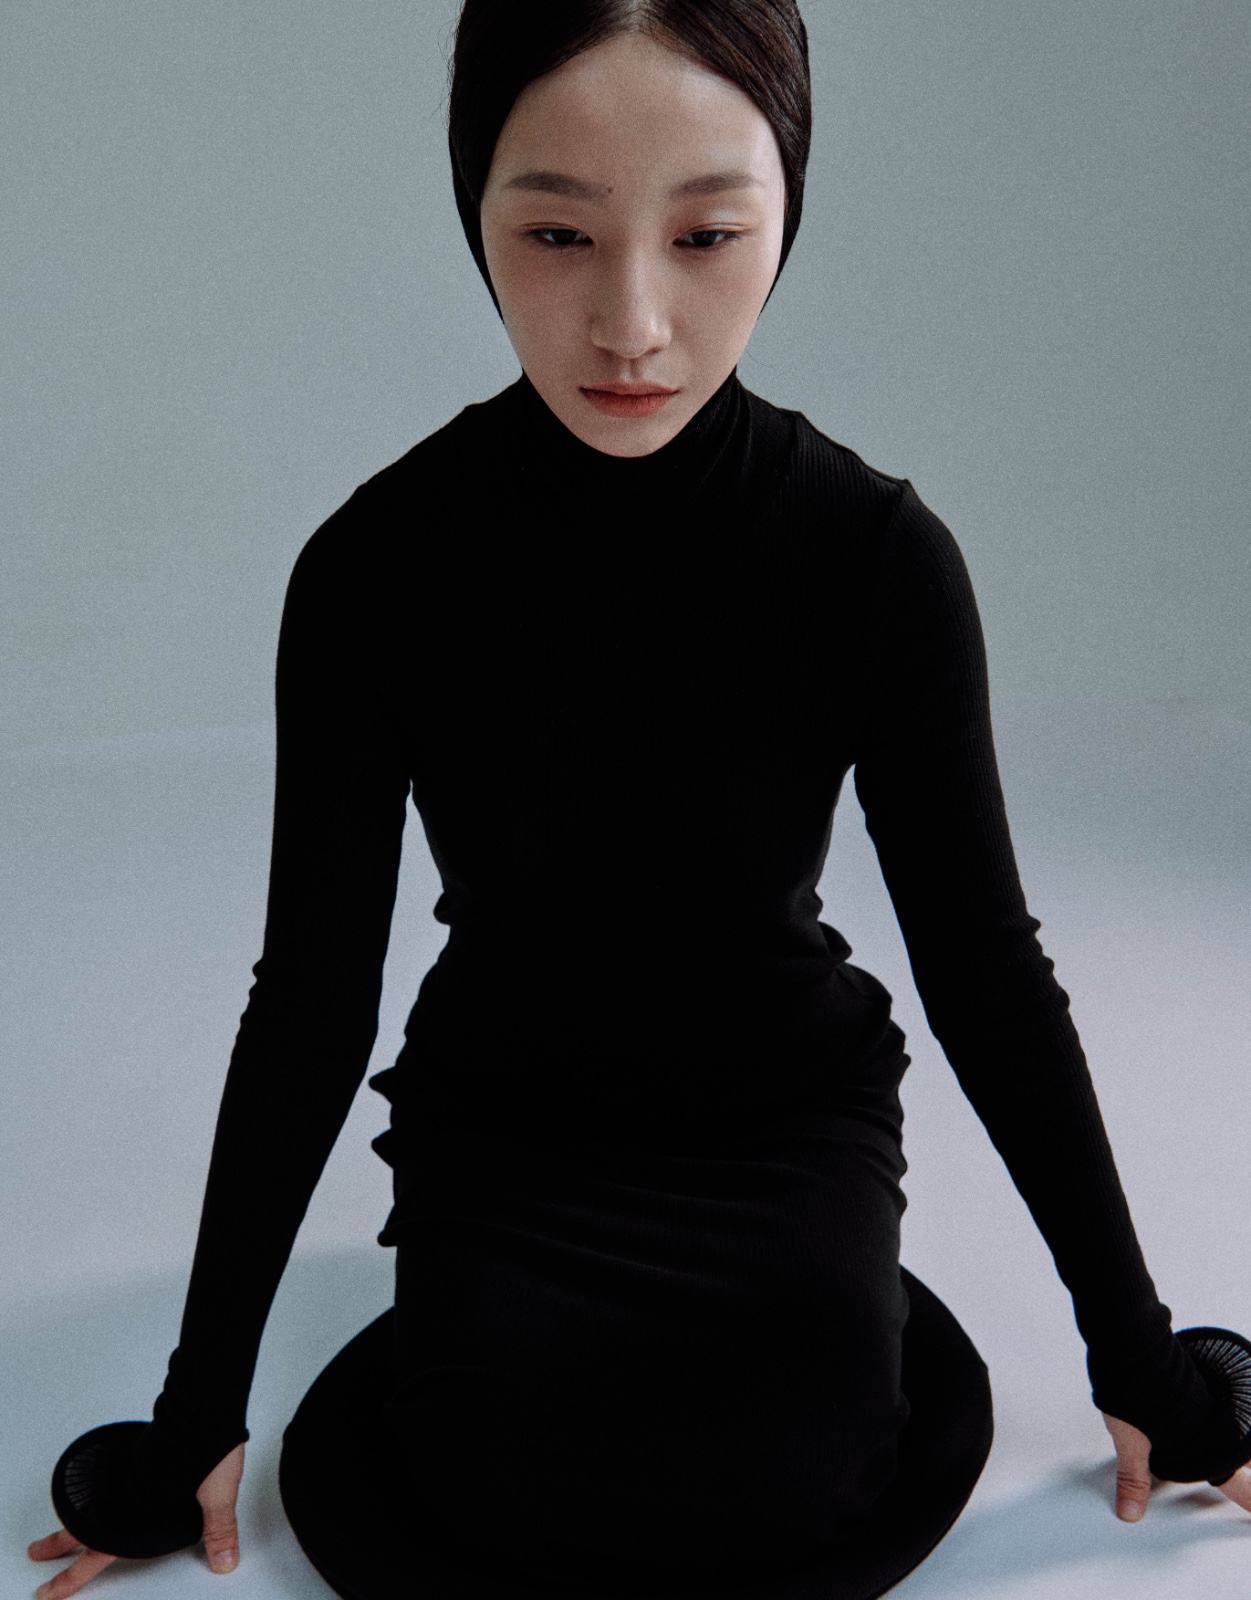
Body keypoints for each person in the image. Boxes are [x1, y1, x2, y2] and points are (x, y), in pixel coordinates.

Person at [30, 3, 1251, 1598]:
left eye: (706, 235)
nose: (632, 325)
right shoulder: (376, 570)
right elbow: (311, 999)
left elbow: (987, 973)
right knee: (498, 1483)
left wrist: (1143, 1361)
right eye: (557, 233)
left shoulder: (877, 560)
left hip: (779, 1112)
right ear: (473, 208)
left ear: (786, 212)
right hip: (508, 1119)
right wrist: (197, 1409)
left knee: (800, 1462)